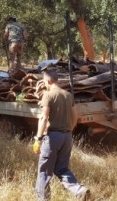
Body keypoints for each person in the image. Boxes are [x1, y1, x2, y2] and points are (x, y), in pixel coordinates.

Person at [33, 69, 90, 201]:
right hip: (67, 137)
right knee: (62, 169)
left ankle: (43, 199)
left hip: (53, 138)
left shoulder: (48, 95)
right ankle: (80, 190)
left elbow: (44, 118)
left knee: (44, 171)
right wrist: (70, 128)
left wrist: (38, 139)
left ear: (47, 81)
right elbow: (76, 115)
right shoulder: (68, 95)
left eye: (44, 82)